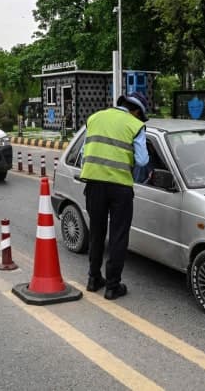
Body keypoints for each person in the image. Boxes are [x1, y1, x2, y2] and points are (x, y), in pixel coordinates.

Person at [79, 92, 150, 300]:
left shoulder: (95, 118)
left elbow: (84, 152)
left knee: (96, 232)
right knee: (118, 235)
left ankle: (93, 279)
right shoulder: (135, 125)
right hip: (120, 187)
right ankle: (112, 286)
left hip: (93, 184)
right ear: (136, 111)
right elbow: (143, 160)